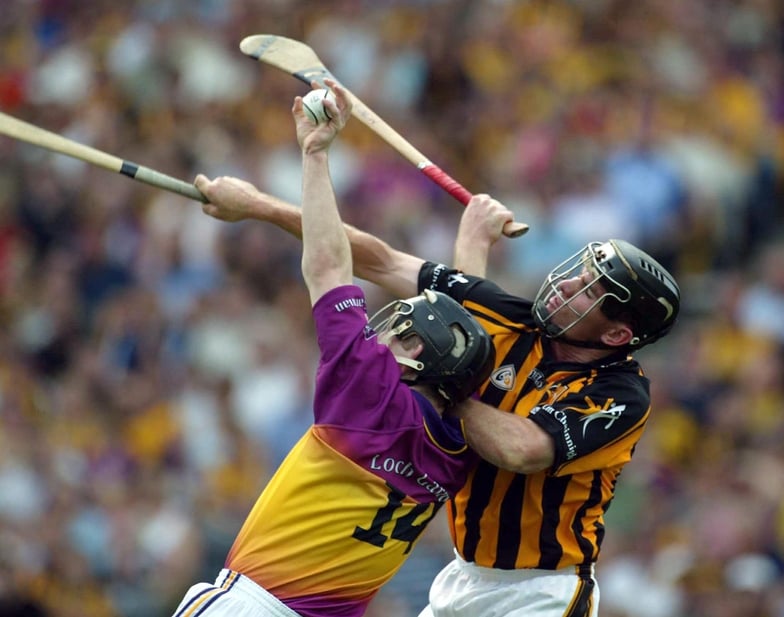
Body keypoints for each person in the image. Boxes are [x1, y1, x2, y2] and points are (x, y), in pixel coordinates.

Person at [193, 116, 681, 617]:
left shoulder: (622, 393)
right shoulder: (511, 322)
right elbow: (382, 261)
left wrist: (438, 380)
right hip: (462, 579)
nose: (565, 285)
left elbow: (522, 449)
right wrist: (259, 206)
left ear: (617, 335)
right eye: (579, 271)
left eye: (588, 291)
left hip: (540, 591)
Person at [171, 82, 495, 616]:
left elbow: (328, 264)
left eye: (398, 329)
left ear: (415, 352)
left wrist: (314, 152)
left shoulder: (369, 388)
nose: (382, 335)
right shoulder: (462, 448)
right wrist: (475, 240)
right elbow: (471, 340)